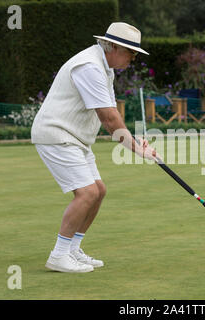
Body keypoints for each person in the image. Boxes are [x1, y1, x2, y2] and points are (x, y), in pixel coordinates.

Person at [31, 22, 159, 273]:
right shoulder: (89, 67)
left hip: (75, 138)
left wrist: (134, 141)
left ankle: (72, 250)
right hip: (56, 134)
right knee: (87, 193)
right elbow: (109, 119)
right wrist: (137, 150)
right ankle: (58, 256)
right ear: (112, 46)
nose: (132, 59)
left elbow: (112, 113)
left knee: (99, 191)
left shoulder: (105, 68)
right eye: (130, 52)